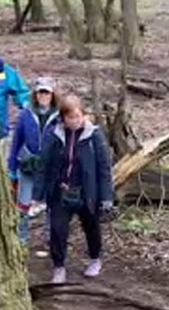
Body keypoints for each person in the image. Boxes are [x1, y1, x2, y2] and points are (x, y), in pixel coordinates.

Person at [33, 95, 114, 284]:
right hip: (61, 191)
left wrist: (107, 197)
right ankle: (59, 267)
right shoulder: (55, 135)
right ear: (63, 118)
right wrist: (38, 194)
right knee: (58, 230)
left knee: (91, 228)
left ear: (84, 116)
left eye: (78, 117)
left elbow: (104, 168)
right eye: (70, 118)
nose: (75, 121)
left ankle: (95, 259)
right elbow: (43, 164)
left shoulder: (95, 136)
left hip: (87, 192)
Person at [9, 76, 59, 246]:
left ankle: (51, 237)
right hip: (29, 164)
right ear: (35, 95)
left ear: (53, 95)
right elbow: (16, 141)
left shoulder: (59, 116)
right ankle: (22, 238)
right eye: (40, 93)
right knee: (24, 202)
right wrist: (12, 168)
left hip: (51, 166)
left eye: (47, 93)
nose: (43, 96)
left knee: (51, 203)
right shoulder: (26, 114)